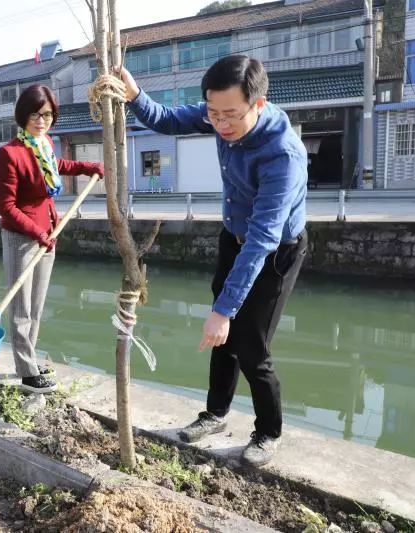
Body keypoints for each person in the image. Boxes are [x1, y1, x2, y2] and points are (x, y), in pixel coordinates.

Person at [117, 55, 308, 466]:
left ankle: (269, 431)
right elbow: (167, 120)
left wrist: (224, 310)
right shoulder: (219, 112)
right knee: (223, 341)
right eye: (213, 114)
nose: (220, 125)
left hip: (275, 251)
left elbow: (263, 239)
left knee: (251, 345)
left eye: (231, 117)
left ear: (259, 103)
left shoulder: (282, 155)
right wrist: (134, 96)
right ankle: (216, 414)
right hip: (234, 237)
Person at [0, 84, 104, 394]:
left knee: (37, 306)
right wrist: (37, 232)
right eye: (35, 114)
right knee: (21, 309)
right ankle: (27, 371)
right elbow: (6, 206)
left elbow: (57, 168)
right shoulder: (10, 153)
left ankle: (28, 359)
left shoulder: (45, 145)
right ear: (23, 116)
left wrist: (87, 167)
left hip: (48, 235)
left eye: (47, 115)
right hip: (23, 238)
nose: (41, 120)